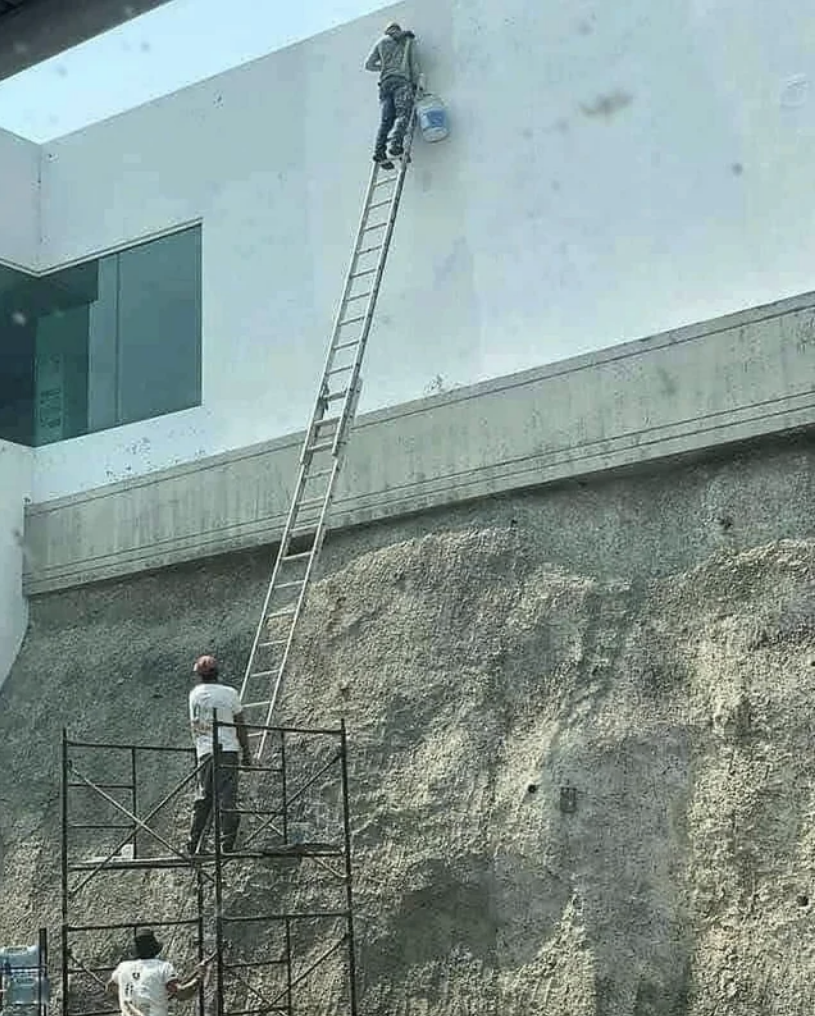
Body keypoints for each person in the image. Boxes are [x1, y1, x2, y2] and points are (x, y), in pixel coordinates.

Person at [186, 654, 251, 856]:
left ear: (199, 675)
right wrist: (246, 752)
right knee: (226, 797)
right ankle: (227, 843)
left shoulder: (195, 695)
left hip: (205, 752)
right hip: (227, 750)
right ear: (217, 672)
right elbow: (239, 724)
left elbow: (194, 725)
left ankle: (194, 842)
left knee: (204, 796)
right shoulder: (230, 693)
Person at [106, 930, 207, 1016]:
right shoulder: (163, 967)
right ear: (155, 949)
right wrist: (200, 976)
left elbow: (110, 988)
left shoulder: (123, 967)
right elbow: (182, 994)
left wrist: (125, 999)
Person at [365, 21, 424, 165]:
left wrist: (384, 68)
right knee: (404, 114)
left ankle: (379, 153)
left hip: (385, 85)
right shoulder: (407, 41)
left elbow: (368, 65)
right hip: (401, 82)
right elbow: (413, 65)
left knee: (386, 121)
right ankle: (396, 145)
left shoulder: (381, 42)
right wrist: (418, 84)